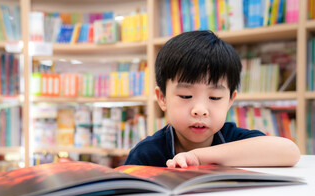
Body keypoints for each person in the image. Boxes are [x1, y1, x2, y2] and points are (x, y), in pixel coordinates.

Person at [124, 30, 300, 168]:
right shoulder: (145, 154)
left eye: (215, 97)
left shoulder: (236, 139)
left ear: (230, 101)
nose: (200, 109)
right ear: (162, 98)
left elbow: (289, 151)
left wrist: (197, 156)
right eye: (186, 95)